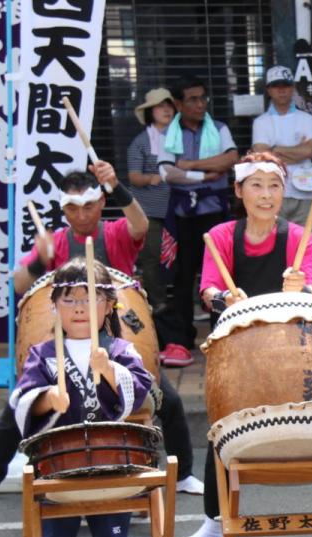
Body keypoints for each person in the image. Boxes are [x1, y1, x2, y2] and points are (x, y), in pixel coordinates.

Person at [0, 165, 202, 504]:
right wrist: (39, 262)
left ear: (101, 203)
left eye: (88, 206)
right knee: (20, 401)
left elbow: (141, 225)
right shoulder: (56, 241)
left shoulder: (115, 233)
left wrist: (116, 185)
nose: (81, 214)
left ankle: (185, 473)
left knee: (166, 399)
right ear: (63, 209)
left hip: (115, 338)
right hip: (64, 343)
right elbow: (18, 286)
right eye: (72, 208)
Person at [7, 259, 155, 537]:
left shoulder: (120, 350)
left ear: (108, 305)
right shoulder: (42, 355)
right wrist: (45, 400)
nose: (78, 307)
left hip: (109, 465)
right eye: (68, 298)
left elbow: (142, 394)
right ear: (54, 306)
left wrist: (109, 372)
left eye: (89, 297)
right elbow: (21, 399)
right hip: (59, 469)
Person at [173, 151, 312, 537]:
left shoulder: (296, 236)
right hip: (238, 346)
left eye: (274, 185)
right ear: (238, 190)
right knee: (222, 425)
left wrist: (301, 288)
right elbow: (207, 289)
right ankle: (213, 521)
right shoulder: (220, 236)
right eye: (255, 185)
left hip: (290, 343)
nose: (266, 194)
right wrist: (224, 297)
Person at [157, 74, 238, 365]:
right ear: (178, 104)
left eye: (203, 98)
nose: (200, 104)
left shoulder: (219, 128)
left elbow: (229, 160)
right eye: (192, 99)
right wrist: (204, 175)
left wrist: (189, 165)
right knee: (182, 278)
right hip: (182, 215)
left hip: (215, 214)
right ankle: (182, 339)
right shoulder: (168, 133)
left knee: (220, 275)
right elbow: (168, 172)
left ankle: (222, 332)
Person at [251, 66, 312, 264]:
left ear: (293, 88)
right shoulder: (261, 122)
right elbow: (263, 156)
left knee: (310, 247)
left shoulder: (306, 118)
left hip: (305, 191)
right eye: (276, 86)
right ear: (268, 90)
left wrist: (276, 149)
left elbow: (308, 152)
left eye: (285, 85)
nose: (281, 90)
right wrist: (295, 151)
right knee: (275, 249)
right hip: (274, 193)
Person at [127, 87, 176, 351]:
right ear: (149, 112)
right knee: (153, 260)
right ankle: (159, 305)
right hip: (152, 212)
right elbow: (133, 176)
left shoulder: (182, 136)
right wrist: (153, 178)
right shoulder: (140, 142)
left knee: (181, 258)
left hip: (179, 210)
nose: (166, 110)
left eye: (169, 105)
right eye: (160, 106)